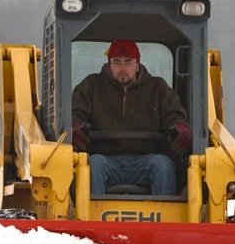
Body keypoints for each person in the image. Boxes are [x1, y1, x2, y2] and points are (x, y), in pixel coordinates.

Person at [71, 39, 192, 195]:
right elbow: (76, 113)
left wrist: (180, 128)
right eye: (117, 62)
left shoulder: (158, 88)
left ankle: (165, 218)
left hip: (146, 160)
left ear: (137, 65)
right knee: (92, 165)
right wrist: (75, 127)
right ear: (109, 64)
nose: (122, 68)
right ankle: (89, 217)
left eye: (128, 62)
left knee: (163, 165)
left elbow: (174, 115)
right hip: (105, 159)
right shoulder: (91, 85)